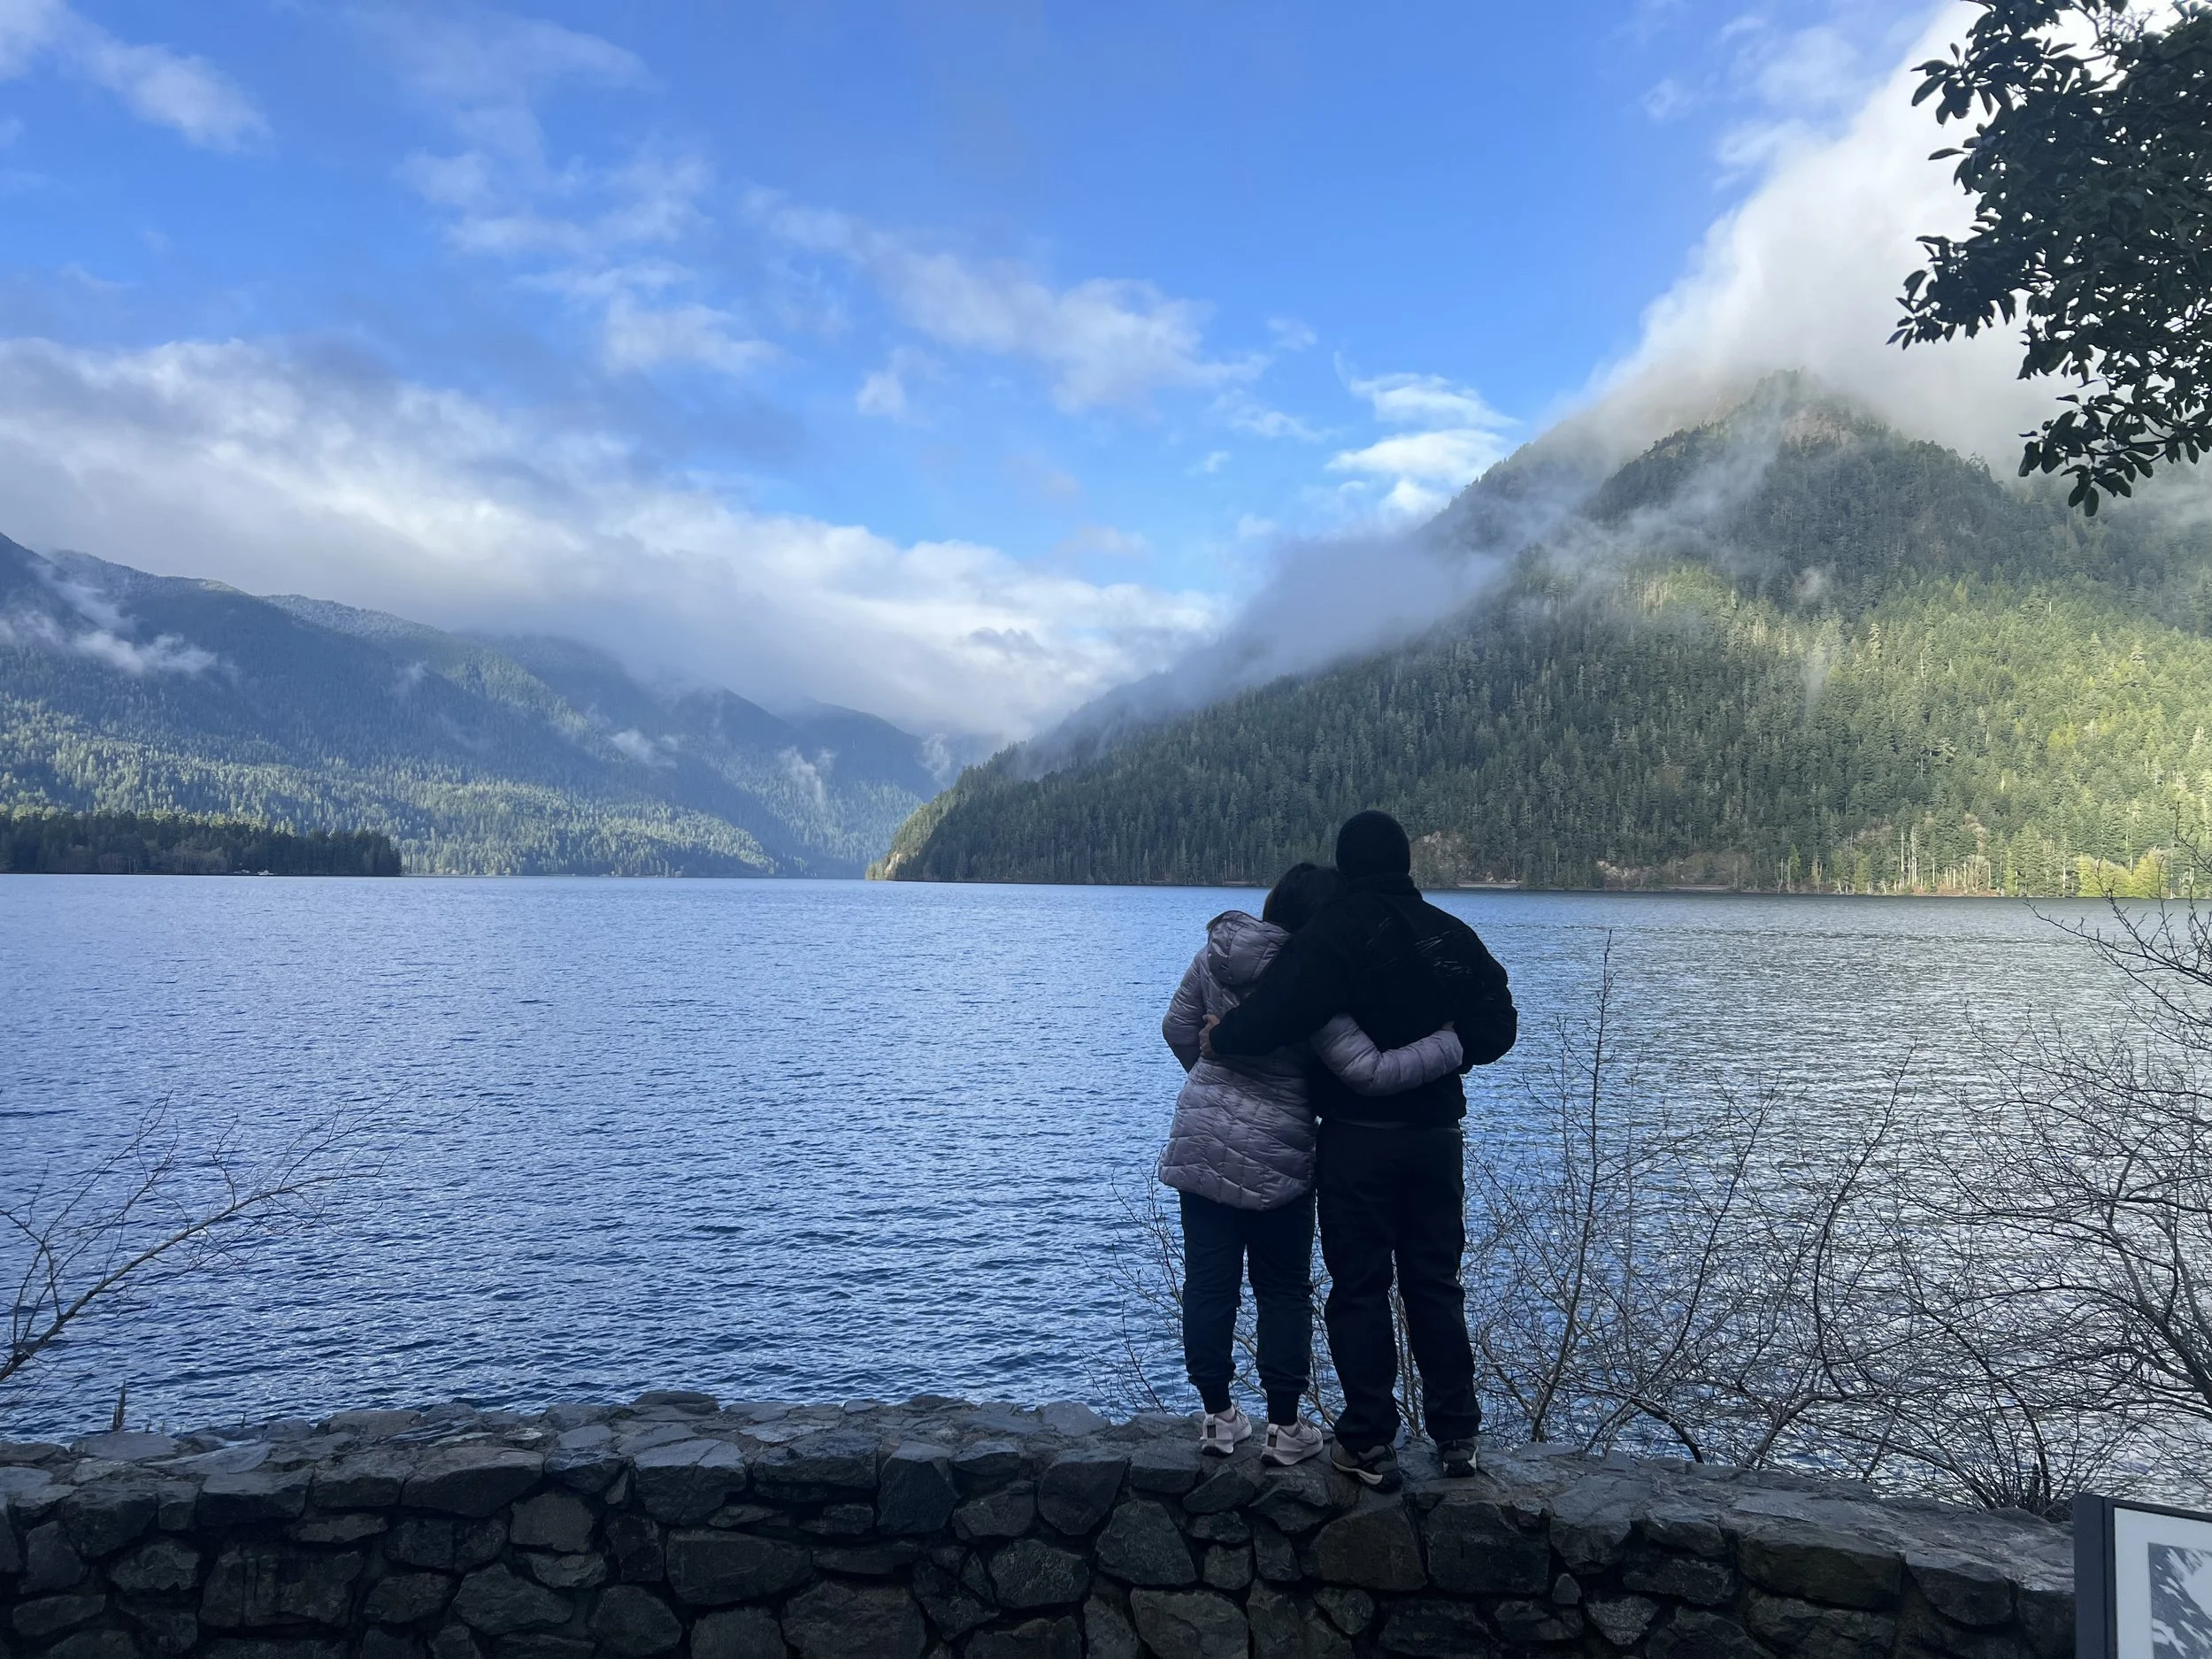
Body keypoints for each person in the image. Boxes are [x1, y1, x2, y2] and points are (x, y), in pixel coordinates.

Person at [1207, 810, 1517, 1492]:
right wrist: (1447, 1047)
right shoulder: (1454, 936)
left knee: (1360, 1290)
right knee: (1435, 1283)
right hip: (1438, 1142)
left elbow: (1276, 1014)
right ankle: (1457, 1431)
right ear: (1406, 862)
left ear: (1346, 867)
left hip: (1357, 1142)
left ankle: (1369, 1440)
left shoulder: (1333, 935)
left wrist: (1219, 1039)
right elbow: (1500, 1026)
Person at [1160, 861, 1469, 1465]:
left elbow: (1176, 1026)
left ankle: (1217, 1418)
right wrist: (1454, 1043)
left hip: (1199, 1136)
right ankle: (1283, 1426)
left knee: (1208, 1283)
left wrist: (1213, 1085)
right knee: (1281, 1290)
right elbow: (1367, 1070)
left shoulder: (1213, 957)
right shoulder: (1313, 980)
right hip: (1279, 1152)